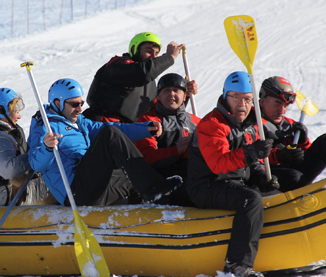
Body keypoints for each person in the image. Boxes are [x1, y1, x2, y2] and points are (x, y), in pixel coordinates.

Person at [28, 78, 183, 206]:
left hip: (95, 188)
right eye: (75, 104)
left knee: (136, 177)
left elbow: (114, 128)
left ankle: (159, 217)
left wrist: (145, 129)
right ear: (57, 103)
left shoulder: (79, 122)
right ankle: (151, 189)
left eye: (81, 103)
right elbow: (36, 164)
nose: (80, 108)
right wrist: (47, 148)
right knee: (109, 135)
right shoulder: (44, 126)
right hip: (75, 193)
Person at [187, 71, 280, 277]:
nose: (241, 104)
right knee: (250, 199)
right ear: (224, 97)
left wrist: (261, 177)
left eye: (247, 99)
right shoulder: (212, 124)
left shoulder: (252, 124)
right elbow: (219, 163)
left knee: (274, 190)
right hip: (206, 185)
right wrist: (252, 152)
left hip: (233, 181)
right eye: (235, 98)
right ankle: (237, 264)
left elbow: (250, 164)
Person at [0, 88, 54, 206]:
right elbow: (9, 170)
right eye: (15, 111)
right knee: (57, 181)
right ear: (1, 112)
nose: (19, 116)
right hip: (1, 198)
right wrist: (37, 155)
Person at [83, 32, 185, 123]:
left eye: (156, 53)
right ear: (134, 49)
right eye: (149, 51)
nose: (154, 57)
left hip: (128, 131)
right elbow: (142, 72)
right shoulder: (119, 65)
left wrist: (184, 94)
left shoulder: (149, 83)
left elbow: (160, 109)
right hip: (102, 124)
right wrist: (169, 57)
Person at [134, 73, 200, 206]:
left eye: (176, 90)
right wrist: (176, 151)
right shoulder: (148, 121)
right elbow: (146, 158)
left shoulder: (197, 122)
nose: (171, 94)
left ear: (184, 95)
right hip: (161, 182)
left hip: (192, 179)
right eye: (166, 91)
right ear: (158, 96)